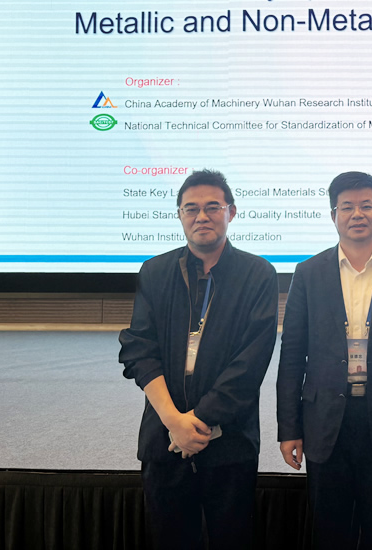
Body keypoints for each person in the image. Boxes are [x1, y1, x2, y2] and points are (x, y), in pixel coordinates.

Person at [118, 169, 279, 550]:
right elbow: (138, 349)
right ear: (179, 215)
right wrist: (175, 422)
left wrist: (199, 422)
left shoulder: (258, 274)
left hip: (230, 441)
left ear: (231, 212)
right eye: (191, 209)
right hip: (165, 437)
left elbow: (250, 363)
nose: (201, 216)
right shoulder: (155, 271)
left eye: (212, 207)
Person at [276, 171, 372, 549]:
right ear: (334, 215)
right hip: (324, 421)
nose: (357, 214)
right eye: (347, 207)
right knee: (329, 532)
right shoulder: (308, 273)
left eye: (367, 206)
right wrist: (289, 427)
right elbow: (292, 356)